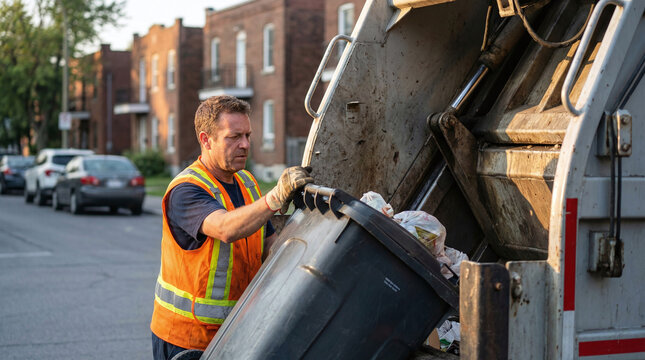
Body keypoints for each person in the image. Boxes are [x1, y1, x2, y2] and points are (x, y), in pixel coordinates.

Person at [150, 95, 314, 359]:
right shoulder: (186, 190)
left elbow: (270, 246)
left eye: (248, 135)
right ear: (206, 140)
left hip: (236, 333)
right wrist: (274, 197)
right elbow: (225, 228)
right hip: (188, 340)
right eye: (234, 137)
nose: (245, 145)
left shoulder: (247, 182)